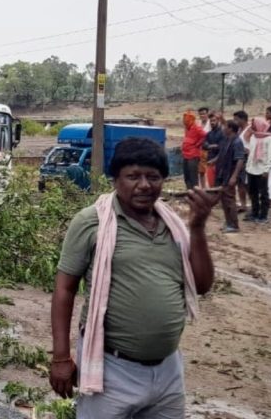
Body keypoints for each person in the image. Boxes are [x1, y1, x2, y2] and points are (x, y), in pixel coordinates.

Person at [49, 137, 217, 418]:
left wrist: (198, 227)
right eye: (133, 176)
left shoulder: (173, 226)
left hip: (168, 371)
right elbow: (64, 290)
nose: (144, 185)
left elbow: (201, 285)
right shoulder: (92, 223)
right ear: (115, 180)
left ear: (163, 181)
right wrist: (61, 357)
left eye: (153, 177)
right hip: (111, 371)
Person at [245, 118, 271, 224]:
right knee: (252, 192)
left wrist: (266, 170)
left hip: (262, 170)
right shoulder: (254, 137)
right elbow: (251, 153)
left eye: (254, 125)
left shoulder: (269, 139)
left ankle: (263, 216)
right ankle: (255, 213)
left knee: (263, 194)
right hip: (251, 169)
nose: (252, 126)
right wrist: (248, 167)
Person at [215, 120, 245, 233]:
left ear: (231, 129)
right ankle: (228, 222)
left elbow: (240, 159)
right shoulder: (227, 140)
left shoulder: (237, 142)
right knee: (224, 199)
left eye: (225, 127)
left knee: (229, 200)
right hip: (223, 174)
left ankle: (233, 224)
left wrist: (234, 176)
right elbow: (222, 155)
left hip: (229, 175)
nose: (223, 129)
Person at [182, 111, 206, 190]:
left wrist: (198, 144)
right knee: (187, 176)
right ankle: (189, 192)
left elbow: (205, 135)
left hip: (193, 156)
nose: (185, 122)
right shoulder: (187, 128)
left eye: (186, 120)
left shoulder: (196, 128)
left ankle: (195, 194)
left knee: (193, 177)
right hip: (185, 155)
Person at [233, 111, 250, 212]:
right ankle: (243, 204)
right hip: (240, 158)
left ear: (243, 119)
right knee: (240, 183)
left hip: (247, 158)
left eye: (236, 119)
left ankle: (252, 203)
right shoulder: (239, 130)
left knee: (246, 183)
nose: (235, 121)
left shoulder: (249, 130)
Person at [203, 113, 223, 188]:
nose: (212, 122)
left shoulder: (222, 133)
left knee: (219, 185)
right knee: (211, 185)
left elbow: (222, 148)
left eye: (214, 120)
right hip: (210, 161)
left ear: (218, 121)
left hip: (219, 163)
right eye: (211, 121)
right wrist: (214, 146)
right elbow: (204, 145)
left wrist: (210, 146)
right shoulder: (209, 134)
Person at [197, 107, 211, 187]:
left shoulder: (211, 123)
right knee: (201, 171)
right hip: (200, 149)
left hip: (210, 149)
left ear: (207, 114)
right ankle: (203, 188)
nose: (202, 115)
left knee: (209, 170)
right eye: (200, 114)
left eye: (204, 113)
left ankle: (210, 187)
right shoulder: (198, 123)